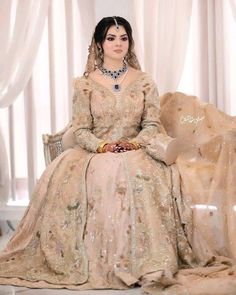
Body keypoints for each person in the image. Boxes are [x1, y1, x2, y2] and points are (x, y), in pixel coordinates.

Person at [0, 16, 236, 295]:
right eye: (111, 38)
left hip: (136, 148)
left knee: (143, 175)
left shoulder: (144, 81)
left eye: (123, 38)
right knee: (103, 173)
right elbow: (80, 129)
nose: (118, 43)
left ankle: (144, 262)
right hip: (94, 152)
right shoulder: (84, 84)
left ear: (130, 42)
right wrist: (102, 146)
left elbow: (151, 123)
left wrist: (134, 143)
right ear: (99, 44)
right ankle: (101, 261)